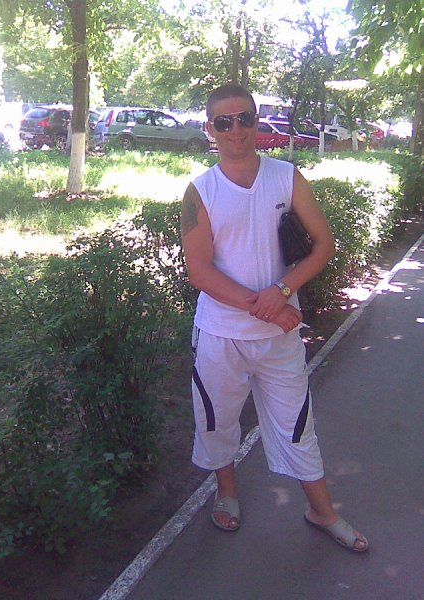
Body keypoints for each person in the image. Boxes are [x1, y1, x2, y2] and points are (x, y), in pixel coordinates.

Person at [181, 83, 368, 552]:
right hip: (221, 336)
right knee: (218, 419)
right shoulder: (201, 191)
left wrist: (282, 292)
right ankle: (226, 493)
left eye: (244, 118)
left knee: (296, 421)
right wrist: (264, 306)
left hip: (279, 334)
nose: (236, 130)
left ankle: (322, 511)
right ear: (210, 129)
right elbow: (199, 271)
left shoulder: (286, 177)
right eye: (224, 122)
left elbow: (324, 245)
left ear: (256, 119)